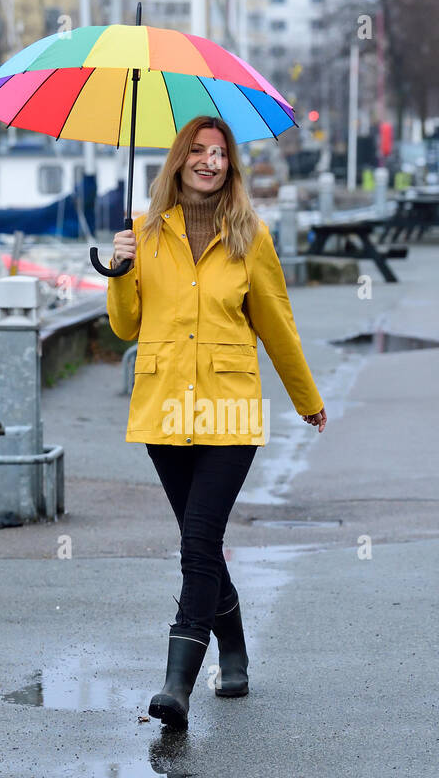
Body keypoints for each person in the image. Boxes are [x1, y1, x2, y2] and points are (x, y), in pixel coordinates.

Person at [107, 116, 326, 731]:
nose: (209, 162)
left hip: (229, 410)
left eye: (220, 154)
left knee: (197, 543)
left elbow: (276, 323)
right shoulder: (144, 235)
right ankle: (233, 650)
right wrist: (119, 269)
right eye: (198, 151)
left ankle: (176, 685)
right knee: (202, 543)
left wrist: (306, 396)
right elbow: (126, 327)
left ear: (231, 166)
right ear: (178, 161)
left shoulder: (250, 236)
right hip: (164, 409)